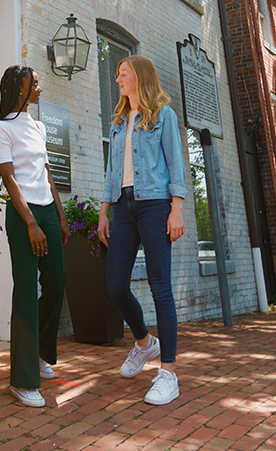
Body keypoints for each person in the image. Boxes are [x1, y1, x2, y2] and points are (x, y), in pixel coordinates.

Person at [96, 55, 187, 406]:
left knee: (159, 286)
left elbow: (176, 164)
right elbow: (110, 170)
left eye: (123, 74)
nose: (117, 79)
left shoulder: (163, 115)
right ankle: (145, 343)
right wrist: (104, 211)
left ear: (139, 77)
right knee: (116, 285)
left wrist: (176, 208)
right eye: (118, 74)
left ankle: (168, 373)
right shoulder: (119, 121)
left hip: (154, 205)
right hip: (123, 206)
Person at [0, 66, 69, 408]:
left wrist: (60, 217)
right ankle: (22, 380)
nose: (40, 87)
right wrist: (31, 224)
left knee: (56, 282)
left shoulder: (36, 126)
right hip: (23, 215)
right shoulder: (2, 128)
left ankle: (39, 351)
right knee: (26, 289)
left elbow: (46, 173)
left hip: (48, 211)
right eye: (34, 83)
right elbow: (9, 179)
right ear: (19, 88)